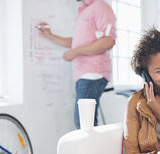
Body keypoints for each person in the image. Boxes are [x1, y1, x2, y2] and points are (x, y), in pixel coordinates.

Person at [37, 0, 116, 129]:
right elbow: (78, 43)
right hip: (85, 74)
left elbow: (108, 41)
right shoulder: (85, 9)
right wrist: (51, 36)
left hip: (93, 74)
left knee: (84, 124)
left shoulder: (100, 7)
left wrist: (76, 51)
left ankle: (94, 150)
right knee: (86, 124)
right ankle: (95, 149)